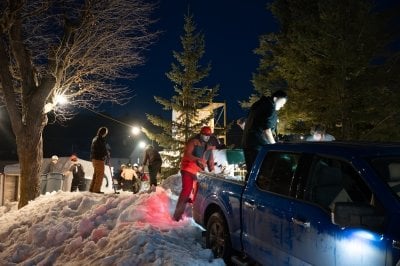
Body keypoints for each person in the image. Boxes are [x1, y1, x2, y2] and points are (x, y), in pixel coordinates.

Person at [241, 90, 288, 178]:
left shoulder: (258, 104)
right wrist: (275, 146)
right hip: (258, 146)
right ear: (275, 98)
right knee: (261, 174)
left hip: (247, 143)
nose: (282, 106)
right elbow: (267, 131)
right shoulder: (270, 107)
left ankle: (248, 189)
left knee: (252, 172)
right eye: (282, 102)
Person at [173, 126, 216, 221]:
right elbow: (187, 154)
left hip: (198, 172)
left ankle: (194, 214)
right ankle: (177, 216)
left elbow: (211, 161)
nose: (206, 137)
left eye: (208, 136)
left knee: (199, 192)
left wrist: (212, 170)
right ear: (201, 134)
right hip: (188, 169)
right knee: (186, 190)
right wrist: (197, 160)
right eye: (205, 135)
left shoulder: (209, 147)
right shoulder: (193, 142)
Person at [89, 126, 109, 193]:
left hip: (94, 159)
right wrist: (106, 153)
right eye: (106, 133)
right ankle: (96, 190)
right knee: (100, 175)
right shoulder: (99, 139)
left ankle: (92, 189)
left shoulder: (95, 138)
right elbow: (101, 149)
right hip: (99, 159)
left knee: (96, 174)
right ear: (104, 133)